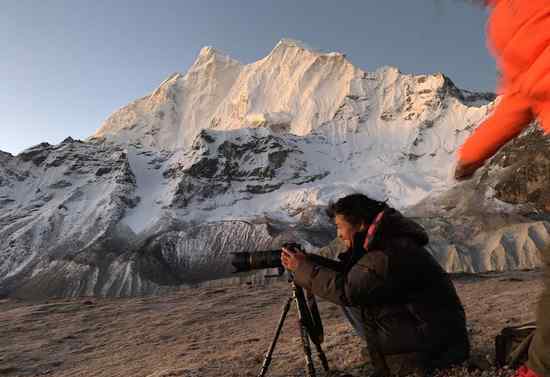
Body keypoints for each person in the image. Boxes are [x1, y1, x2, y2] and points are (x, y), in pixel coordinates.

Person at [455, 2, 550, 377]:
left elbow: (523, 93)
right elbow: (520, 96)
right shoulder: (503, 21)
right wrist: (473, 153)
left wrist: (471, 154)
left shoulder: (507, 21)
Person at [281, 193, 470, 375]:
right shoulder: (388, 242)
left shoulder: (387, 252)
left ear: (361, 224)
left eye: (340, 226)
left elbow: (349, 289)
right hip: (438, 339)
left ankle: (402, 362)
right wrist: (308, 262)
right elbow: (354, 275)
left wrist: (303, 269)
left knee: (349, 295)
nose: (338, 234)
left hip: (433, 352)